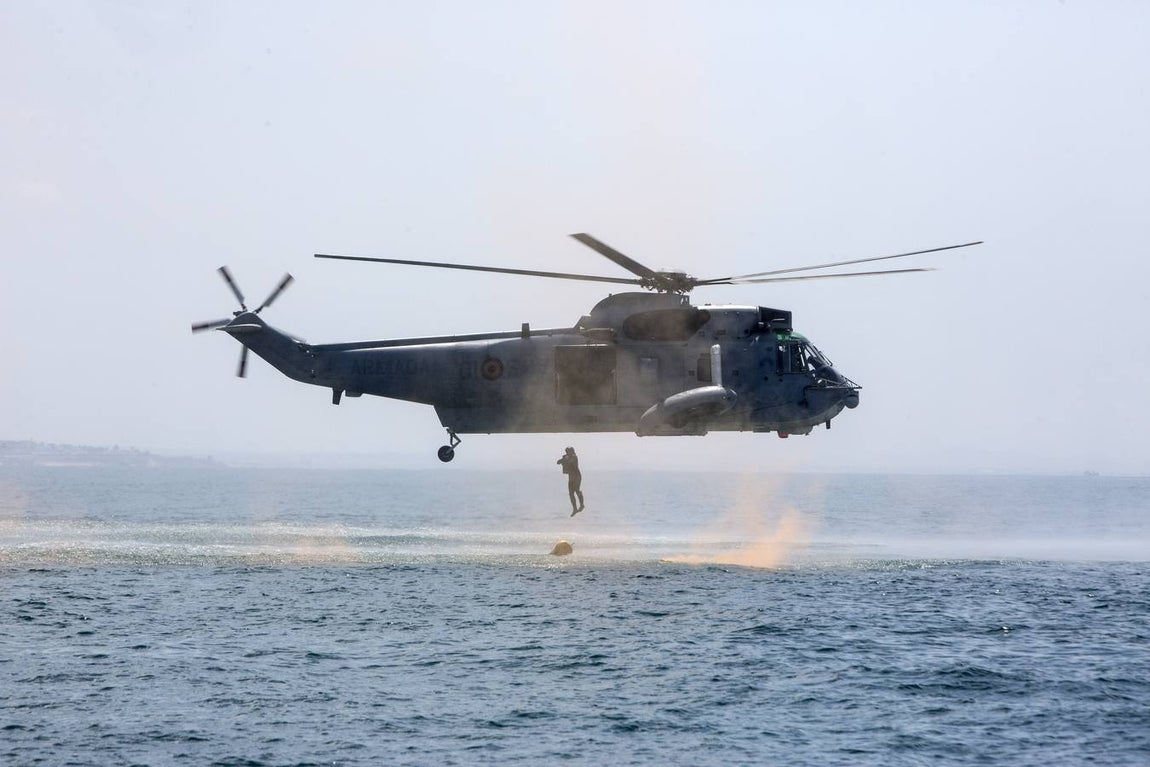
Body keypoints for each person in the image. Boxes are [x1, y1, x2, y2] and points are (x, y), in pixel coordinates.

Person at [557, 446, 585, 516]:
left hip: (577, 476)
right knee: (571, 494)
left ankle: (582, 505)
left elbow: (570, 461)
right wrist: (562, 460)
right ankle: (575, 509)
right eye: (567, 452)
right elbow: (558, 462)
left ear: (572, 452)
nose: (567, 453)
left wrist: (565, 460)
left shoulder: (574, 457)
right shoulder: (567, 457)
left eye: (568, 452)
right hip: (571, 477)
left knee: (577, 490)